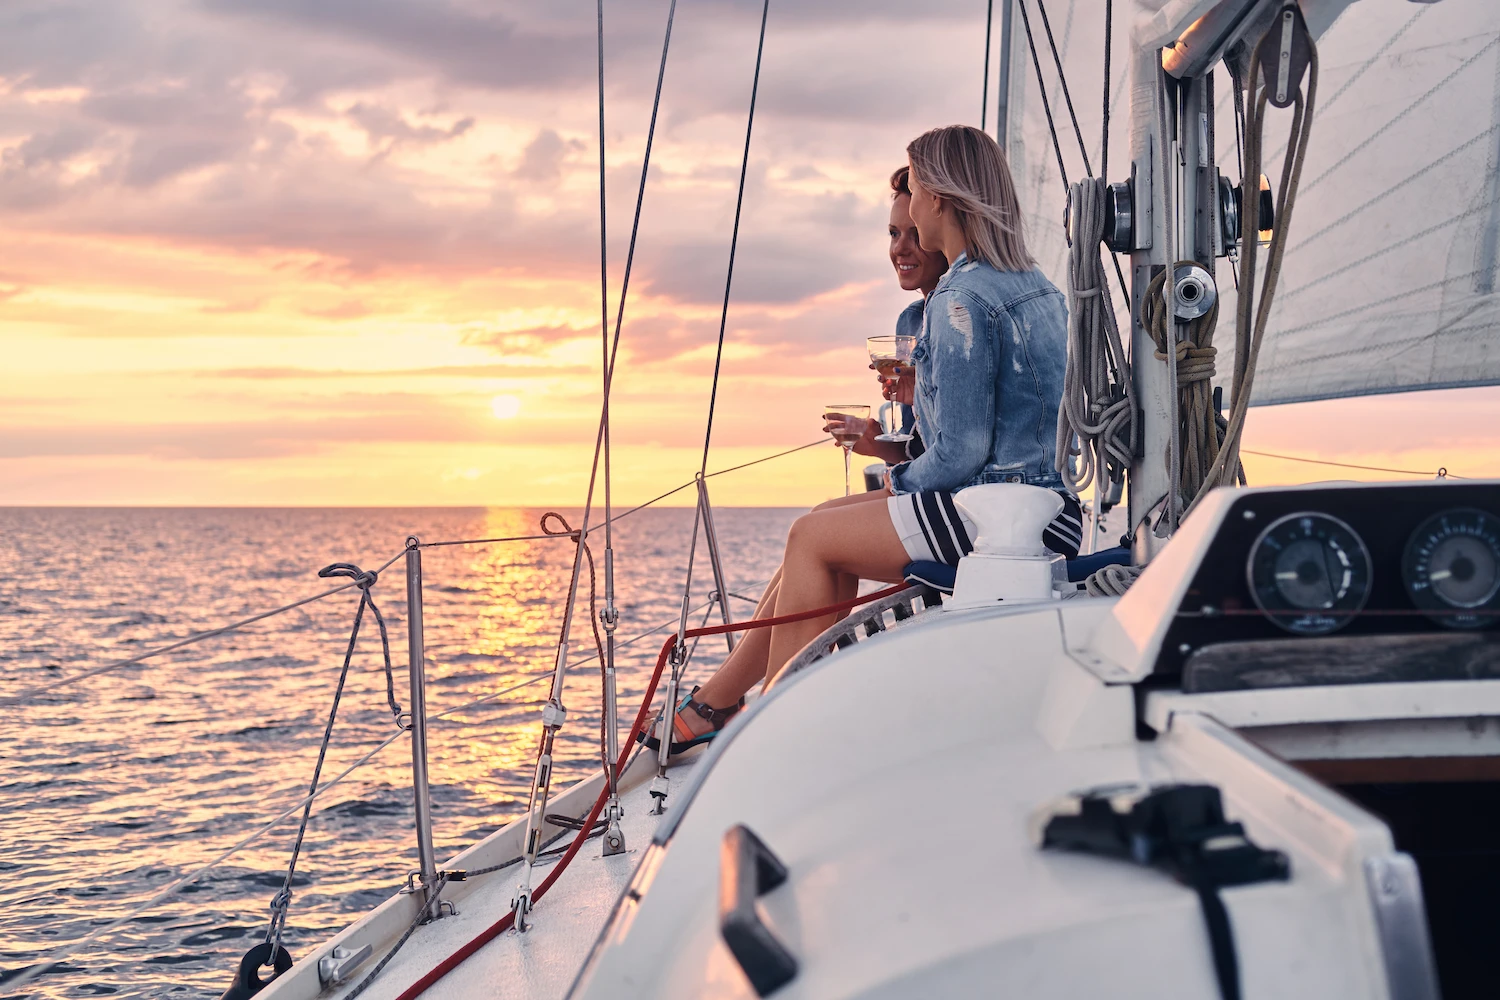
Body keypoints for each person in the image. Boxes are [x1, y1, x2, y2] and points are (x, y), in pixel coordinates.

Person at [646, 125, 1081, 755]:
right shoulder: (1035, 287)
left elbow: (961, 454)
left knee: (813, 538)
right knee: (821, 525)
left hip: (995, 521)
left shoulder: (962, 296)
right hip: (1049, 511)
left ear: (942, 198)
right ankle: (743, 702)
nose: (915, 207)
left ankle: (780, 733)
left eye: (921, 189)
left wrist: (894, 484)